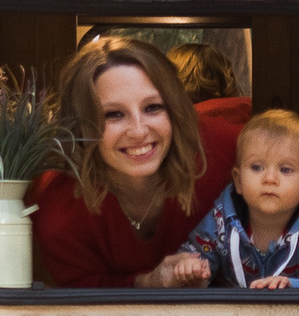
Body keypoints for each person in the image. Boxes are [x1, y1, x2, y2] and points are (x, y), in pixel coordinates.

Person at [29, 36, 237, 288]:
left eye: (153, 107)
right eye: (114, 114)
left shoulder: (226, 152)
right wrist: (148, 282)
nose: (138, 131)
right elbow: (85, 299)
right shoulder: (58, 209)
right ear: (81, 124)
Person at [162, 110, 299, 290]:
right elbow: (197, 258)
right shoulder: (221, 220)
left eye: (285, 169)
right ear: (239, 181)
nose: (270, 179)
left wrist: (292, 287)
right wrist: (191, 270)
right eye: (257, 167)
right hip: (237, 315)